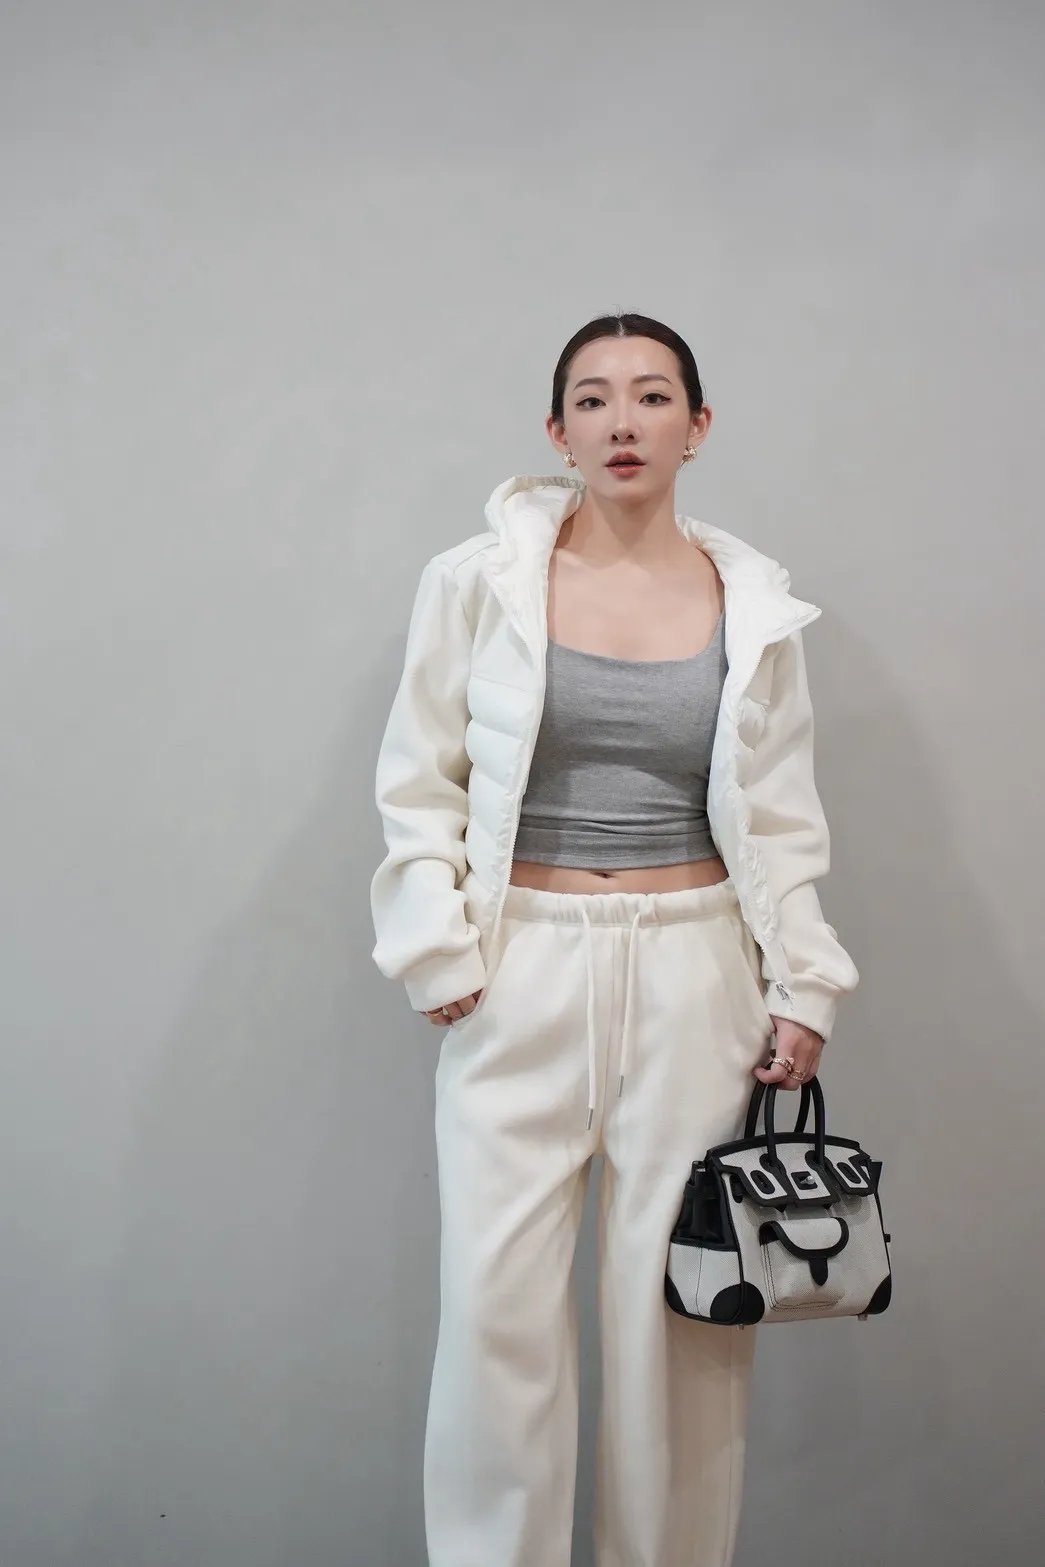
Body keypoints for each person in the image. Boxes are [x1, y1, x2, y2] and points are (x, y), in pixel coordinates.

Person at [369, 312, 859, 1567]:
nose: (621, 422)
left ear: (697, 426)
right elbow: (418, 778)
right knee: (496, 1322)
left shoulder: (753, 604)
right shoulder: (476, 583)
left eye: (651, 396)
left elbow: (781, 813)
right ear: (556, 431)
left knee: (679, 1325)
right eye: (591, 399)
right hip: (520, 966)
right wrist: (437, 946)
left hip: (698, 973)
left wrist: (803, 982)